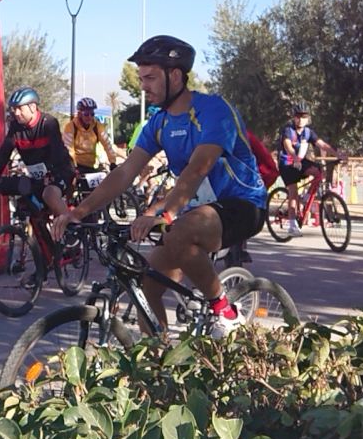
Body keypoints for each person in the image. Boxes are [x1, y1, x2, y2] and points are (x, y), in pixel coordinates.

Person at [52, 35, 266, 338]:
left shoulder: (213, 110)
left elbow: (199, 167)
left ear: (175, 75)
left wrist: (165, 215)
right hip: (199, 209)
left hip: (244, 204)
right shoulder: (159, 123)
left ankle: (225, 311)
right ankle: (158, 359)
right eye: (140, 78)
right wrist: (79, 211)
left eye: (150, 78)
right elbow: (125, 172)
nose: (143, 86)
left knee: (178, 231)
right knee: (146, 285)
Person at [0, 87, 76, 218]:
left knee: (49, 194)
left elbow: (57, 152)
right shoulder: (15, 127)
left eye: (19, 108)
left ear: (32, 107)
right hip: (39, 177)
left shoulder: (48, 123)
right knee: (28, 205)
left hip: (61, 171)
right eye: (13, 109)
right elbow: (4, 152)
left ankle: (71, 223)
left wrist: (53, 174)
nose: (16, 113)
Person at [278, 103, 342, 236]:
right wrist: (294, 156)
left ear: (308, 118)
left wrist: (337, 154)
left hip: (300, 161)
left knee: (319, 173)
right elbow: (287, 145)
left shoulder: (308, 132)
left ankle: (305, 198)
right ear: (294, 117)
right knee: (293, 192)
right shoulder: (288, 130)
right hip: (287, 162)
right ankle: (292, 225)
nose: (301, 119)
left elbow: (322, 144)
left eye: (304, 116)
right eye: (298, 116)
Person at [62, 97, 118, 175]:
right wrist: (73, 168)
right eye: (86, 114)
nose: (89, 117)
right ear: (79, 114)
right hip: (76, 166)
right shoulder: (70, 127)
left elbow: (107, 145)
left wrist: (112, 162)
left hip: (91, 166)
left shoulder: (97, 126)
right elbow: (69, 149)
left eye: (92, 114)